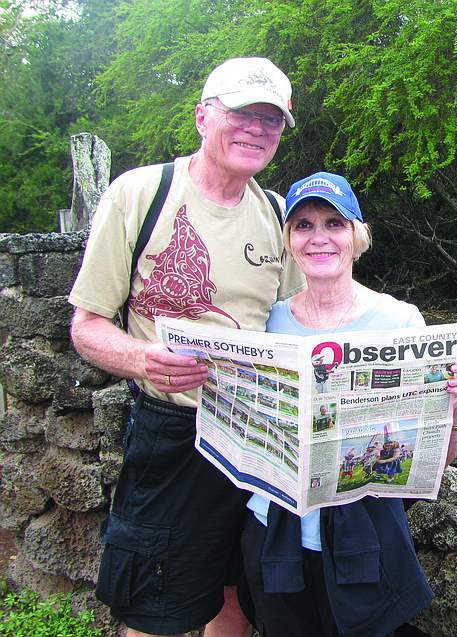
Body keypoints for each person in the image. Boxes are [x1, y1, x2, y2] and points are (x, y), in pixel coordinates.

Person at [68, 57, 305, 637]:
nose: (256, 128)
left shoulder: (277, 214)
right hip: (175, 434)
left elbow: (300, 324)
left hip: (259, 434)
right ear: (202, 116)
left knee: (237, 598)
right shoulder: (140, 194)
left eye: (272, 120)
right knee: (159, 609)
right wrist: (142, 359)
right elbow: (86, 325)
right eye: (242, 112)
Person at [239, 171, 457, 637]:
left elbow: (438, 460)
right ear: (289, 239)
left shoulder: (401, 319)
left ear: (356, 234)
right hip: (274, 532)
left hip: (364, 536)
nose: (319, 238)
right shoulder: (268, 323)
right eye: (304, 225)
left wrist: (456, 412)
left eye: (334, 223)